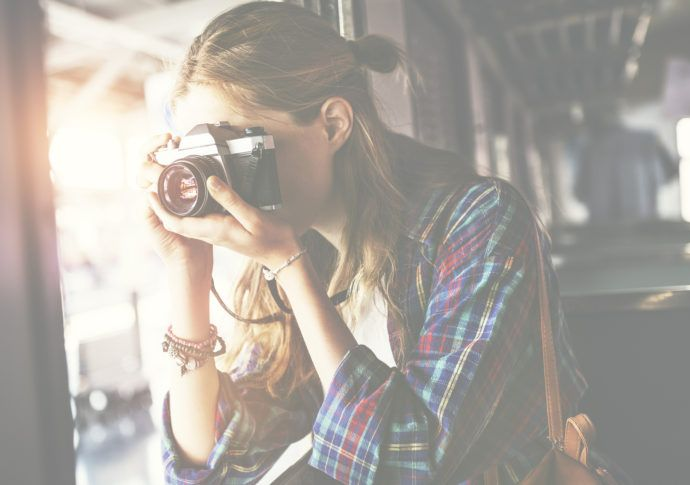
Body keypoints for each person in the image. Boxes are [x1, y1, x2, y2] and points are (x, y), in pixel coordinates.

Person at [135, 2, 588, 484]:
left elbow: (410, 466)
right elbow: (215, 464)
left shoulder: (481, 221)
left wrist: (289, 264)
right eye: (205, 155)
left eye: (237, 148)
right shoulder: (301, 252)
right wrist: (188, 271)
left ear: (333, 125)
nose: (221, 181)